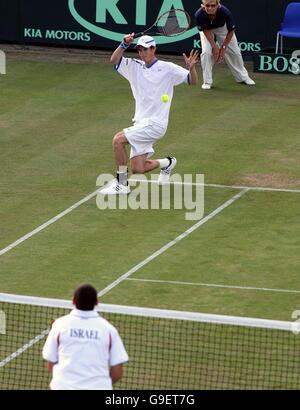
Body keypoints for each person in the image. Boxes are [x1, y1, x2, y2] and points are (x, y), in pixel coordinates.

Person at [100, 33, 199, 195]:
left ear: (154, 49)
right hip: (141, 123)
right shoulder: (133, 66)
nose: (142, 53)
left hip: (155, 124)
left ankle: (122, 184)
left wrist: (192, 68)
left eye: (146, 49)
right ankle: (168, 163)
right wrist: (124, 44)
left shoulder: (168, 68)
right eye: (140, 49)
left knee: (118, 140)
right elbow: (114, 60)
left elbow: (192, 81)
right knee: (138, 169)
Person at [42, 284, 128, 390]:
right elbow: (117, 372)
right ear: (97, 302)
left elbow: (51, 362)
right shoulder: (109, 330)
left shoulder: (59, 325)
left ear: (73, 301)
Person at [195, 0, 255, 90]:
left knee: (235, 52)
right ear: (203, 5)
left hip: (222, 29)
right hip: (207, 30)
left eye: (213, 5)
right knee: (206, 53)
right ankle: (207, 81)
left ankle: (242, 77)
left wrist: (223, 49)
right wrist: (214, 47)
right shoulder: (199, 15)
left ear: (218, 5)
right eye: (207, 5)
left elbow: (231, 31)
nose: (210, 8)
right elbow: (205, 30)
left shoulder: (225, 12)